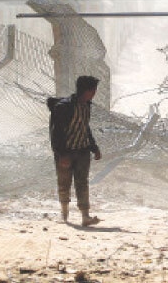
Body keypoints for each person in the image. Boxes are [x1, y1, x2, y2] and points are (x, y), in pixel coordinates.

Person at [48, 75, 103, 226]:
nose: (94, 93)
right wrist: (61, 155)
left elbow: (85, 128)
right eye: (92, 90)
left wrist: (94, 147)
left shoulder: (86, 105)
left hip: (82, 151)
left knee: (82, 183)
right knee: (64, 183)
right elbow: (56, 133)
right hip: (66, 152)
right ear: (84, 90)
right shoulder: (63, 107)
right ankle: (64, 214)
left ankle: (85, 216)